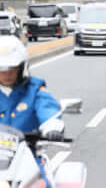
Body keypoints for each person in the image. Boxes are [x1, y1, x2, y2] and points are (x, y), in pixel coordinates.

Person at [0, 35, 64, 186]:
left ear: (22, 67)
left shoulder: (35, 90)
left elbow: (48, 110)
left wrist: (52, 127)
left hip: (25, 157)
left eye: (12, 68)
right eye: (2, 69)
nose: (7, 74)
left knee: (43, 184)